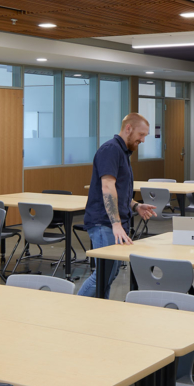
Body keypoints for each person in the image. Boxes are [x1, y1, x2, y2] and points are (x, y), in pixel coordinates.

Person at [77, 113, 157, 298]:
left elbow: (119, 190)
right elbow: (107, 186)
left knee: (108, 275)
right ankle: (75, 308)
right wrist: (115, 224)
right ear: (128, 128)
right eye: (141, 134)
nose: (143, 140)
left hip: (111, 223)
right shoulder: (111, 150)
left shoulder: (122, 152)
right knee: (102, 276)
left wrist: (136, 206)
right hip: (104, 223)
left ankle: (100, 315)